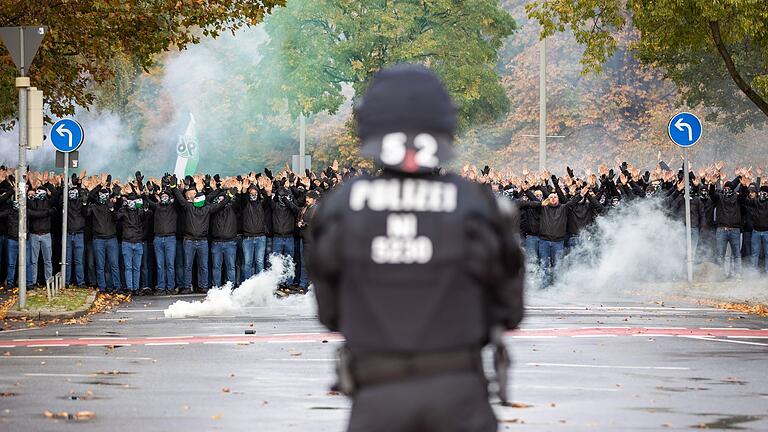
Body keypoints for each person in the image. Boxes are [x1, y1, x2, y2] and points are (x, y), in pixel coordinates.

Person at [307, 65, 525, 432]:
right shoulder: (477, 204)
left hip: (376, 397)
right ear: (445, 125)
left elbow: (329, 314)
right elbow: (511, 310)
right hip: (461, 394)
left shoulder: (342, 205)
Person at [170, 176, 233, 294]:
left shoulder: (206, 208)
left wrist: (227, 195)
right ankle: (187, 286)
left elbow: (219, 204)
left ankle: (203, 286)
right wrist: (174, 188)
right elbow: (180, 198)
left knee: (203, 265)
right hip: (189, 240)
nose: (193, 198)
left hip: (202, 241)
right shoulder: (190, 207)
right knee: (188, 266)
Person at [86, 181, 122, 293]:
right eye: (101, 195)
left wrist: (113, 204)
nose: (103, 197)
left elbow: (118, 214)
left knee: (114, 265)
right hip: (98, 239)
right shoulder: (94, 206)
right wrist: (100, 186)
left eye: (105, 195)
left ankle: (117, 287)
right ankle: (102, 287)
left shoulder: (111, 205)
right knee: (100, 266)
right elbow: (90, 197)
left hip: (111, 238)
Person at [146, 186, 179, 295]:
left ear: (170, 198)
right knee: (160, 265)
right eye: (162, 196)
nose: (164, 198)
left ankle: (170, 287)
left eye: (166, 196)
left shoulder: (173, 207)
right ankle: (161, 287)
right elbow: (148, 200)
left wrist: (172, 188)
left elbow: (179, 199)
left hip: (170, 239)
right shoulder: (157, 207)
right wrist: (146, 191)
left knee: (170, 264)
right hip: (158, 239)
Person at [26, 181, 58, 287]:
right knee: (33, 261)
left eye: (42, 191)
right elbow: (31, 213)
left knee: (48, 260)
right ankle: (33, 282)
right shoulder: (32, 202)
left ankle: (48, 281)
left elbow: (56, 194)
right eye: (38, 191)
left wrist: (47, 183)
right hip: (34, 234)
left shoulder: (49, 202)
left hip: (46, 234)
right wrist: (47, 213)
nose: (39, 193)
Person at [240, 179, 272, 280]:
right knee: (248, 262)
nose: (253, 195)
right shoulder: (245, 204)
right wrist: (244, 188)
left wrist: (267, 191)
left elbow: (268, 199)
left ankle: (259, 285)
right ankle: (247, 285)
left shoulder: (262, 204)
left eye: (255, 193)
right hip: (247, 238)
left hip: (260, 238)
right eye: (251, 193)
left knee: (259, 262)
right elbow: (243, 198)